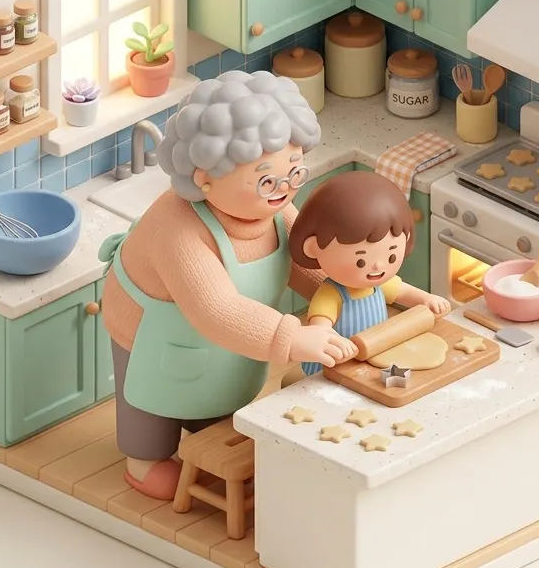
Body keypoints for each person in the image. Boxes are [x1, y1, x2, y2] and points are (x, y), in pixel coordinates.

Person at [99, 70, 353, 500]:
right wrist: (292, 336)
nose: (283, 189)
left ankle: (207, 428)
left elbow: (305, 262)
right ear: (205, 178)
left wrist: (347, 294)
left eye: (294, 172)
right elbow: (215, 309)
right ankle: (144, 460)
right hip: (150, 331)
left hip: (224, 338)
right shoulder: (177, 230)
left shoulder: (275, 212)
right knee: (153, 401)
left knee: (219, 390)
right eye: (266, 179)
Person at [286, 170, 452, 376]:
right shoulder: (331, 294)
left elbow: (403, 292)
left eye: (391, 256)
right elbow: (320, 326)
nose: (378, 266)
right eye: (361, 261)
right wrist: (330, 339)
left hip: (374, 355)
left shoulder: (379, 285)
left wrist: (427, 299)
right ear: (314, 248)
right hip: (333, 366)